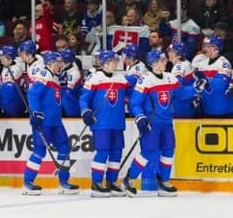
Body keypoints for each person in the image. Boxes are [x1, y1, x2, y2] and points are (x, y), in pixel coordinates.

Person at [122, 50, 207, 197]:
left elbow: (181, 93)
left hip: (167, 122)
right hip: (151, 123)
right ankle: (129, 178)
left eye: (163, 59)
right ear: (153, 63)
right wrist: (140, 117)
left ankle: (164, 181)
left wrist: (195, 88)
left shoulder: (170, 77)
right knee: (149, 152)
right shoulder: (145, 80)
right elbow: (135, 103)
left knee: (168, 151)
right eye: (161, 60)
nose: (164, 62)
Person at [23, 51, 79, 195]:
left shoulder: (54, 77)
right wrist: (35, 112)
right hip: (44, 121)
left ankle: (63, 182)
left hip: (56, 122)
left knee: (64, 149)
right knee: (39, 151)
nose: (60, 65)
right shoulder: (44, 75)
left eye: (61, 62)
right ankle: (28, 182)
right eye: (57, 62)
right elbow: (33, 93)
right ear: (49, 63)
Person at [79, 50, 131, 197]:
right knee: (102, 152)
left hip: (118, 123)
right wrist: (86, 112)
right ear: (106, 62)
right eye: (113, 60)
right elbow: (84, 98)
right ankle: (96, 183)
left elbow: (131, 93)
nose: (116, 62)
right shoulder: (94, 78)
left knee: (117, 153)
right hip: (101, 123)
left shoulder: (121, 78)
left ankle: (112, 182)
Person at [195, 36, 233, 117]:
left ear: (216, 48)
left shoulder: (224, 63)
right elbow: (198, 84)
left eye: (208, 46)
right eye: (204, 46)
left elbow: (222, 83)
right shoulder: (202, 63)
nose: (205, 49)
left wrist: (207, 81)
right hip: (207, 111)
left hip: (226, 112)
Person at [167, 42, 200, 118]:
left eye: (172, 51)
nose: (169, 53)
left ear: (178, 55)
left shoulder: (178, 67)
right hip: (190, 102)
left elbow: (176, 87)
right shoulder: (186, 62)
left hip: (183, 106)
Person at [0, 45, 27, 117]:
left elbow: (8, 90)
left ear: (8, 57)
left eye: (2, 56)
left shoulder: (15, 69)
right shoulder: (6, 67)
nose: (0, 58)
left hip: (15, 103)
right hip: (9, 102)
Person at [59, 49, 82, 117]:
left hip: (73, 103)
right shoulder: (63, 70)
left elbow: (68, 90)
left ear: (67, 62)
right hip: (64, 103)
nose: (59, 62)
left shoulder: (74, 73)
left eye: (61, 61)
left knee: (66, 95)